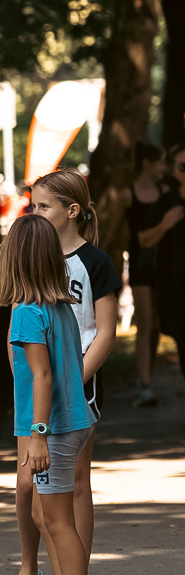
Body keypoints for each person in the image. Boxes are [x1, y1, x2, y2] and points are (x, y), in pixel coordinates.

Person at [2, 169, 119, 575]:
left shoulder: (93, 264)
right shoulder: (38, 280)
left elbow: (103, 334)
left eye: (43, 206)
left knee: (67, 495)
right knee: (30, 489)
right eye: (32, 206)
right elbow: (31, 356)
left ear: (72, 211)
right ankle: (36, 572)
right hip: (40, 402)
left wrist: (72, 382)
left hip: (68, 400)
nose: (36, 213)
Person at [122, 141, 167, 405]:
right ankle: (145, 385)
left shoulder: (166, 191)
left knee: (159, 324)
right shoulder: (128, 194)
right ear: (148, 163)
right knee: (145, 323)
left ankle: (147, 377)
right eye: (160, 162)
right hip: (141, 264)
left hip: (164, 264)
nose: (164, 167)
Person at [138, 144, 185, 379]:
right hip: (176, 291)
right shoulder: (168, 203)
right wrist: (164, 225)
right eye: (182, 167)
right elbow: (143, 239)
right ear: (175, 171)